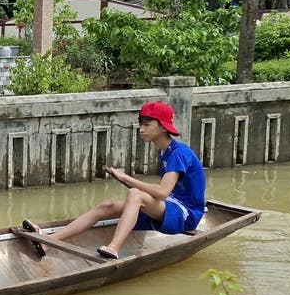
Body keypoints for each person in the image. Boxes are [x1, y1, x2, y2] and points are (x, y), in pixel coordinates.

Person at [23, 101, 206, 260]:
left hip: (186, 213)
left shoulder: (178, 153)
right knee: (107, 205)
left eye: (147, 124)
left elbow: (162, 192)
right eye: (140, 124)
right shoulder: (164, 150)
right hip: (170, 205)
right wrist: (124, 179)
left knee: (136, 195)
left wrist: (127, 178)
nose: (141, 129)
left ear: (163, 127)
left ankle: (113, 248)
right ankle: (49, 241)